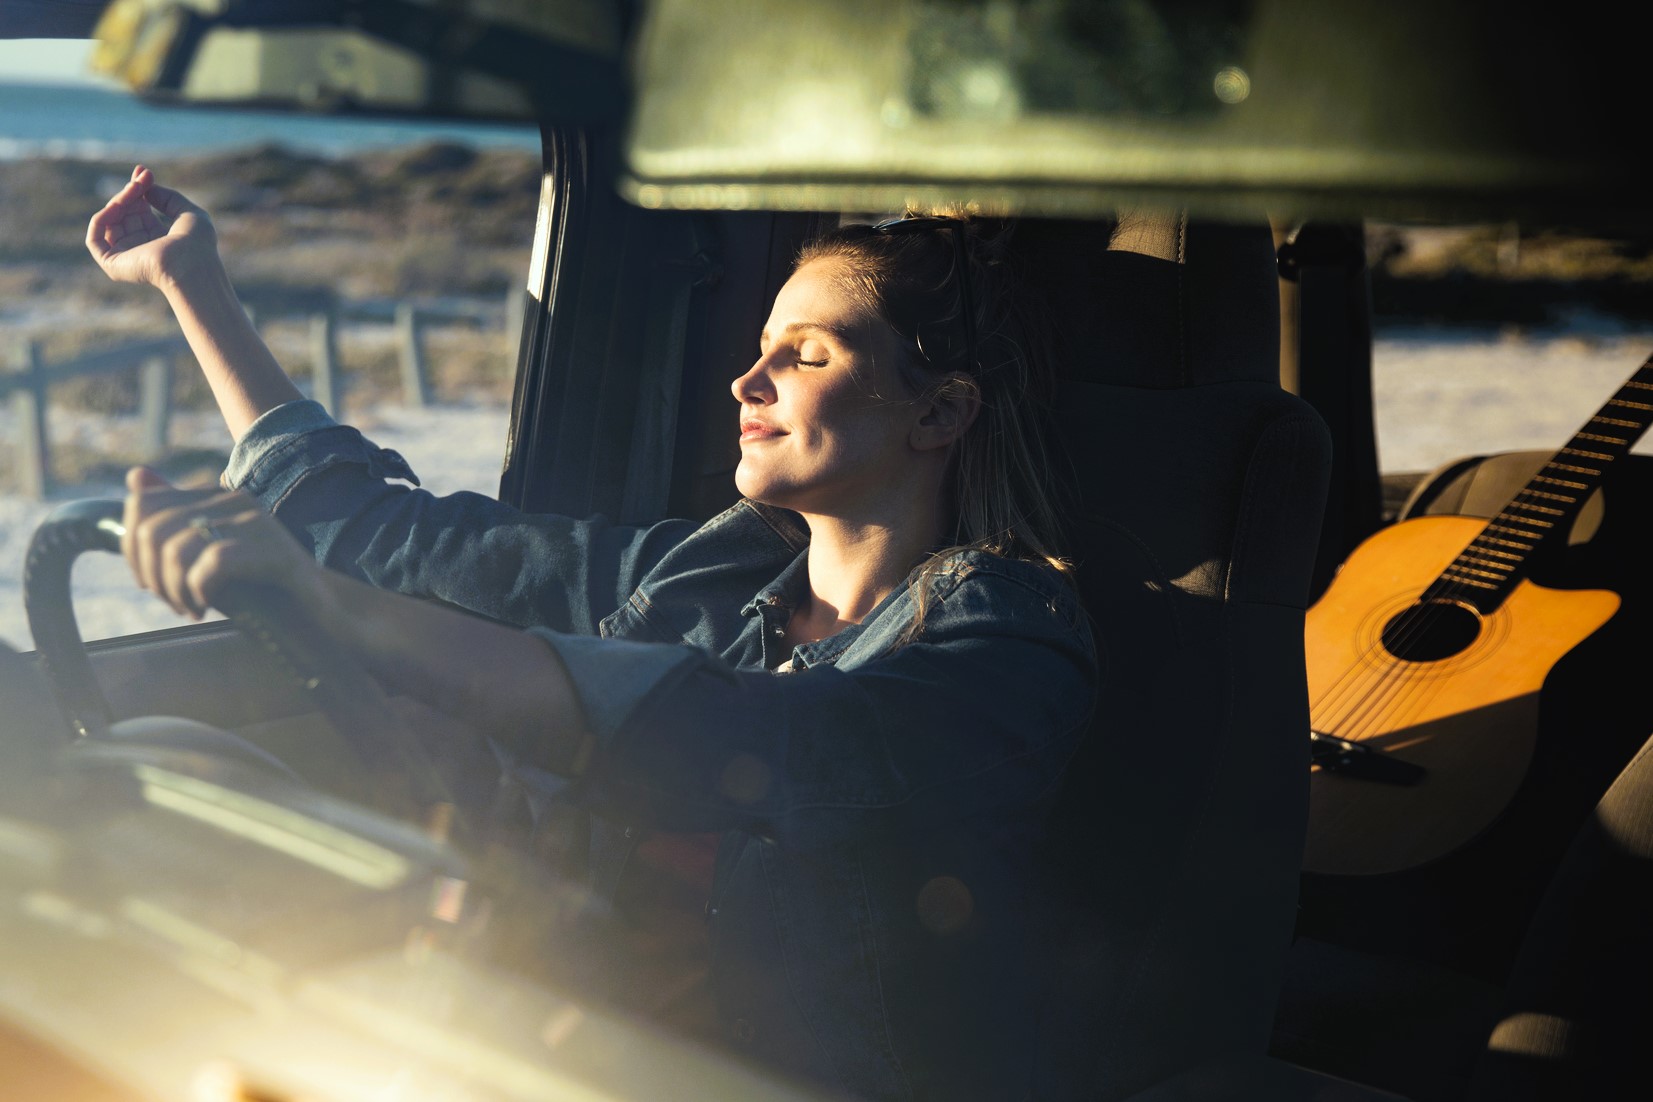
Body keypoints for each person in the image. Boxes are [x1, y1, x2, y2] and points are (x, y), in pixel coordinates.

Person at [87, 165, 1098, 1101]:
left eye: (806, 355)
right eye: (756, 350)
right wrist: (192, 283)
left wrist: (342, 613)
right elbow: (380, 531)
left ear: (940, 411)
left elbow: (745, 743)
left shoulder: (1004, 649)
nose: (748, 382)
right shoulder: (705, 573)